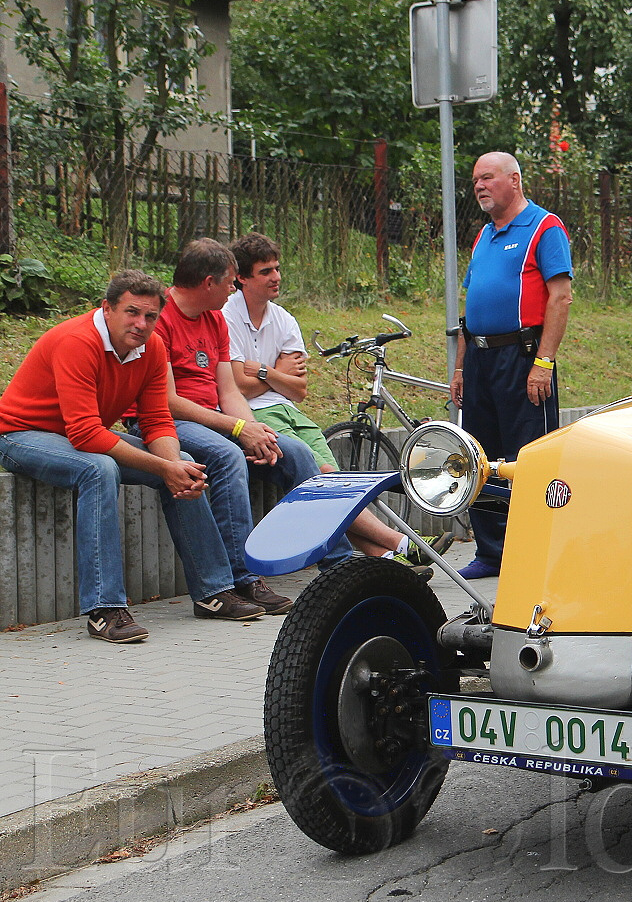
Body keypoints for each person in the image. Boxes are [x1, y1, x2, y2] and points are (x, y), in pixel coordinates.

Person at [0, 272, 253, 643]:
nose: (141, 324)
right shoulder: (77, 341)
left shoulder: (152, 348)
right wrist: (164, 467)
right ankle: (105, 610)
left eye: (150, 316)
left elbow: (157, 420)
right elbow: (85, 434)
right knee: (98, 468)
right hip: (20, 435)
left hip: (73, 434)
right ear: (107, 308)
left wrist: (174, 467)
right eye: (132, 312)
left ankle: (213, 591)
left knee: (181, 460)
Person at [156, 238, 355, 617]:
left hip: (214, 416)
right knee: (228, 455)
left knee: (296, 451)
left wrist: (253, 430)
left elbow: (228, 391)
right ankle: (244, 577)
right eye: (230, 282)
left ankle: (339, 566)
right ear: (209, 283)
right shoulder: (161, 318)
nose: (233, 290)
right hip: (172, 420)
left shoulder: (215, 319)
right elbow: (167, 401)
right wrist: (237, 429)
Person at [223, 233, 448, 562]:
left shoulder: (283, 319)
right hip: (254, 415)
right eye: (265, 272)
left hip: (289, 410)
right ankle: (402, 544)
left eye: (277, 269)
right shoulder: (227, 317)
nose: (276, 277)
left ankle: (383, 556)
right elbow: (237, 387)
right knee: (323, 478)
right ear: (242, 278)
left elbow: (299, 390)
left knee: (332, 478)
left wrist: (262, 371)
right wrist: (279, 374)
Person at [450, 152, 574, 581]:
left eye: (487, 177)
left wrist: (544, 362)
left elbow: (560, 297)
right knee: (480, 457)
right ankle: (491, 552)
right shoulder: (484, 236)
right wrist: (461, 368)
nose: (479, 186)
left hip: (522, 359)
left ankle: (534, 551)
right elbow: (470, 306)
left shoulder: (544, 227)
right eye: (475, 180)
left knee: (529, 457)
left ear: (515, 180)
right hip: (481, 359)